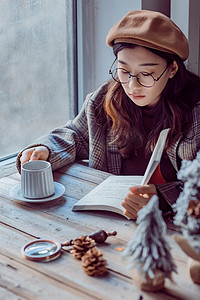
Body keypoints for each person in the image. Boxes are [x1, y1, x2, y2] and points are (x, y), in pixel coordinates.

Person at [17, 10, 200, 220]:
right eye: (123, 70)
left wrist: (162, 199)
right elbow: (76, 136)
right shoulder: (104, 99)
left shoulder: (195, 111)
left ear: (173, 69)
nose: (132, 85)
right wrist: (45, 149)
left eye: (147, 74)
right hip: (109, 220)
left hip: (177, 228)